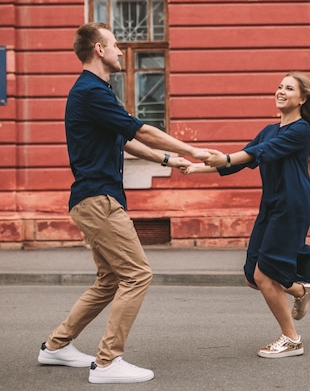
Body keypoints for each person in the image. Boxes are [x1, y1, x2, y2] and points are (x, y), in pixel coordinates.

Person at [37, 22, 209, 384]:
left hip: (93, 199)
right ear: (98, 49)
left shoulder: (96, 92)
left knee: (109, 279)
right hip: (98, 199)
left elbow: (126, 140)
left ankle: (56, 346)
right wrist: (189, 148)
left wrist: (166, 160)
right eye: (115, 45)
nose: (120, 50)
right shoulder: (90, 91)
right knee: (137, 274)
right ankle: (108, 361)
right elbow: (140, 129)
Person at [182, 72, 310, 358]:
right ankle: (299, 290)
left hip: (291, 205)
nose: (281, 91)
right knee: (252, 275)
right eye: (279, 87)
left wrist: (227, 157)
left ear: (302, 98)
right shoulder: (269, 130)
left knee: (265, 274)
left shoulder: (301, 130)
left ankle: (291, 338)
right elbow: (245, 157)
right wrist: (196, 168)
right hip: (271, 205)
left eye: (289, 88)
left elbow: (260, 152)